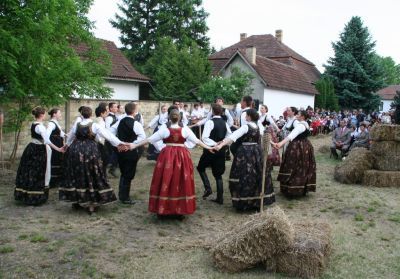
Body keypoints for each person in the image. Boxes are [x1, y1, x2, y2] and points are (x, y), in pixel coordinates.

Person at [129, 108, 213, 218]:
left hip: (167, 156)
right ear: (180, 118)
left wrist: (134, 145)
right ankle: (179, 210)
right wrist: (208, 147)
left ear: (169, 117)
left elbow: (150, 139)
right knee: (180, 180)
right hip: (182, 157)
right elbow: (197, 141)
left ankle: (163, 209)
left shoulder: (165, 130)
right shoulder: (185, 129)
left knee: (165, 179)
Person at [59, 106, 125, 214]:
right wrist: (119, 143)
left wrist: (66, 146)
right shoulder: (94, 125)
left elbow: (70, 137)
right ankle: (91, 205)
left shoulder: (77, 125)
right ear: (91, 115)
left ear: (82, 115)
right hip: (90, 152)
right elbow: (108, 136)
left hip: (76, 151)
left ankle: (76, 201)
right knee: (91, 174)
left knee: (77, 174)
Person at [214, 109, 275, 211]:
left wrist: (221, 145)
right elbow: (265, 137)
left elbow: (233, 137)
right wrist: (273, 144)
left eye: (246, 116)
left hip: (245, 153)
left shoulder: (246, 127)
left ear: (249, 117)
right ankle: (255, 201)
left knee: (244, 175)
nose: (245, 117)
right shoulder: (259, 126)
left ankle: (246, 201)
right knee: (256, 175)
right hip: (257, 152)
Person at [15, 107, 64, 205]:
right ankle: (35, 197)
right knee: (38, 172)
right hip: (38, 150)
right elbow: (47, 140)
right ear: (41, 115)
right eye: (45, 114)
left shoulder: (34, 124)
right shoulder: (40, 127)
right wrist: (58, 149)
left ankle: (26, 194)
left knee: (30, 171)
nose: (46, 115)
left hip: (32, 148)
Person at [273, 110, 316, 197]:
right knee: (302, 166)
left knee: (294, 166)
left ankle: (293, 189)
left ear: (303, 117)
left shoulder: (300, 125)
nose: (297, 115)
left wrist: (281, 143)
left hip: (297, 147)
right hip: (305, 145)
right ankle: (301, 188)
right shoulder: (305, 123)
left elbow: (292, 135)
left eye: (299, 114)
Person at [110, 102, 146, 205]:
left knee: (124, 173)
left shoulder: (120, 121)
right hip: (130, 151)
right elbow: (142, 137)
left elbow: (111, 132)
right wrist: (130, 144)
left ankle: (123, 195)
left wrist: (118, 143)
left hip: (121, 151)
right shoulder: (136, 123)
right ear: (134, 111)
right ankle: (125, 197)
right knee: (128, 174)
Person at [197, 104, 232, 204]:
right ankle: (219, 198)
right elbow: (230, 135)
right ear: (221, 112)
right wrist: (222, 142)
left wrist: (214, 144)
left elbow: (204, 137)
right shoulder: (224, 123)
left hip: (210, 150)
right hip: (220, 150)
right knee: (218, 174)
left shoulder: (209, 122)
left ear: (212, 111)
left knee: (200, 168)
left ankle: (208, 189)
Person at [46, 108, 66, 188]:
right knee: (54, 160)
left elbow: (61, 133)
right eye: (59, 113)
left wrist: (70, 136)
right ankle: (53, 182)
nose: (60, 115)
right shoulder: (51, 124)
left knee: (58, 160)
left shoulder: (55, 123)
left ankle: (57, 180)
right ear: (54, 114)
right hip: (55, 144)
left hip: (58, 143)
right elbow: (47, 136)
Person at [105, 102, 119, 177]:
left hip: (114, 138)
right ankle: (110, 170)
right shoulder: (109, 117)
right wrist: (110, 139)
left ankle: (112, 169)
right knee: (110, 155)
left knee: (115, 155)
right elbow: (107, 129)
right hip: (110, 139)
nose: (117, 108)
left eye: (117, 107)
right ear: (111, 108)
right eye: (115, 107)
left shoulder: (115, 116)